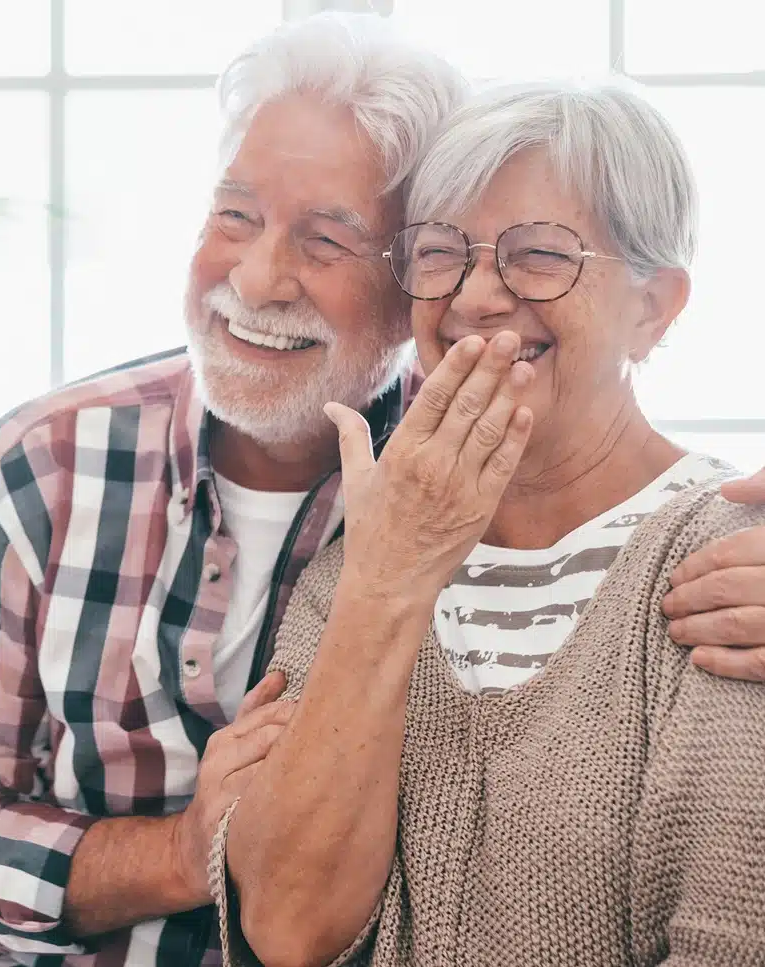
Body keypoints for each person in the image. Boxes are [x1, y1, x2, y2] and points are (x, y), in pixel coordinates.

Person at [0, 16, 765, 967]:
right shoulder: (49, 466)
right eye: (235, 216)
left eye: (329, 238)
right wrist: (182, 851)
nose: (257, 278)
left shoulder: (485, 478)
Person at [213, 79, 765, 967]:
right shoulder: (356, 569)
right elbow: (287, 926)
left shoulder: (732, 562)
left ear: (652, 307)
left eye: (540, 256)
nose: (473, 297)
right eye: (439, 254)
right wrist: (386, 582)